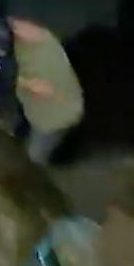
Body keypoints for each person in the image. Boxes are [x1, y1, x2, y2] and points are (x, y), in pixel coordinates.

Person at [7, 17, 84, 165]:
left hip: (55, 119)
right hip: (31, 107)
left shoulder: (47, 61)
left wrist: (13, 78)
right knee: (19, 133)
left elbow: (44, 89)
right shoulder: (38, 38)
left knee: (33, 160)